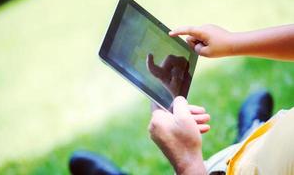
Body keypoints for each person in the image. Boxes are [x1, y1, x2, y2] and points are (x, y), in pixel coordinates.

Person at [69, 24, 294, 175]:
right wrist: (233, 42)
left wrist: (187, 161)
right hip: (259, 151)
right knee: (257, 144)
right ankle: (251, 133)